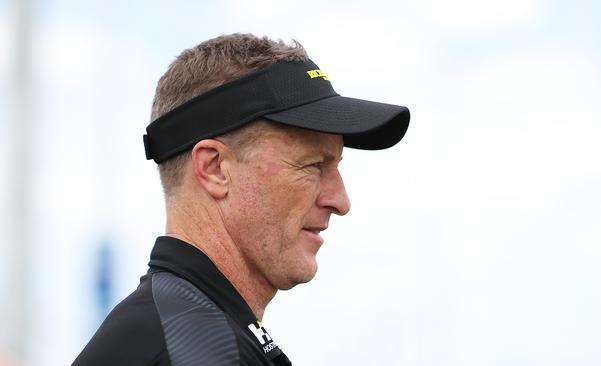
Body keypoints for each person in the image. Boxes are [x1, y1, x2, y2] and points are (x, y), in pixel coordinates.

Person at [72, 33, 410, 366]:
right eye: (313, 165)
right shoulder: (197, 350)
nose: (341, 201)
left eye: (334, 165)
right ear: (215, 168)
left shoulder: (188, 332)